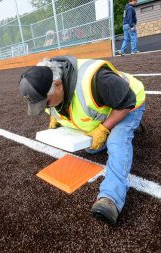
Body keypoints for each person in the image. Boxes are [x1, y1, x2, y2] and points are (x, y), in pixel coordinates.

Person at [19, 56, 146, 225]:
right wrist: (57, 118)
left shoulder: (96, 78)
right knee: (91, 148)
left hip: (128, 103)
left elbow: (127, 102)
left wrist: (104, 129)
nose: (46, 108)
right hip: (108, 104)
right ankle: (122, 127)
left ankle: (111, 198)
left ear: (58, 84)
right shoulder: (49, 86)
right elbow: (60, 106)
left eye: (46, 103)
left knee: (117, 140)